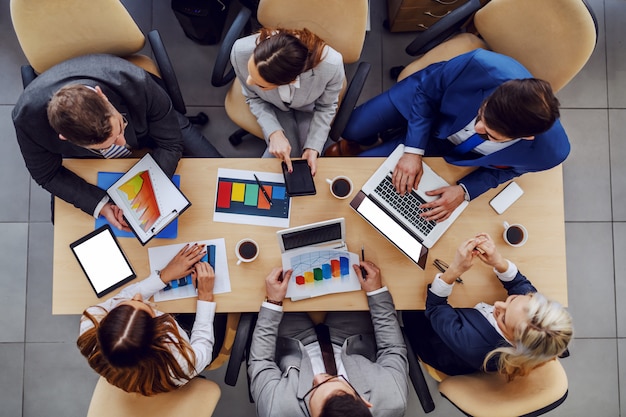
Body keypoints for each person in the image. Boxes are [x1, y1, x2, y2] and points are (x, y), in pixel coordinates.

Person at [328, 49, 569, 222]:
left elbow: (508, 170)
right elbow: (426, 94)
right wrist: (412, 151)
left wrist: (465, 191)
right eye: (481, 114)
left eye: (490, 135)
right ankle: (368, 142)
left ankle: (379, 146)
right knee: (351, 129)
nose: (477, 128)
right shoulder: (479, 64)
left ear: (526, 137)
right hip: (426, 105)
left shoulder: (549, 154)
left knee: (366, 177)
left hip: (445, 150)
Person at [13, 54, 222, 230]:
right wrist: (102, 205)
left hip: (151, 127)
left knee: (218, 170)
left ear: (102, 97)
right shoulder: (26, 120)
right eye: (108, 145)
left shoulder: (137, 82)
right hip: (86, 161)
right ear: (65, 138)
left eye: (120, 126)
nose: (122, 144)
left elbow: (170, 142)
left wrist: (146, 191)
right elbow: (46, 175)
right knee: (67, 226)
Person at [404, 233, 572, 380]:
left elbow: (435, 307)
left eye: (504, 318)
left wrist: (454, 270)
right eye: (512, 300)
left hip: (433, 338)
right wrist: (498, 261)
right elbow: (519, 283)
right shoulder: (532, 317)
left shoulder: (472, 345)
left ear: (514, 343)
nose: (498, 304)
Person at [248, 263, 408, 417]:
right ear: (365, 402)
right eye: (334, 380)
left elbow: (261, 361)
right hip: (350, 336)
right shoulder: (392, 399)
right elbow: (392, 349)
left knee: (271, 270)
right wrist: (376, 293)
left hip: (294, 342)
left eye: (313, 390)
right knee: (354, 265)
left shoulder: (276, 410)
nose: (318, 378)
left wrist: (273, 302)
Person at [76, 243, 216, 395]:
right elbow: (203, 348)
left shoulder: (92, 321)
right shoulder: (179, 364)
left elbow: (123, 297)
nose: (137, 297)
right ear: (160, 331)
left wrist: (164, 276)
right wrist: (205, 296)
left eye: (123, 306)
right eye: (144, 305)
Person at [231, 27, 345, 176]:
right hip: (272, 106)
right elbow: (253, 97)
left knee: (304, 161)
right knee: (287, 160)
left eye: (261, 85)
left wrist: (313, 147)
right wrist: (274, 132)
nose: (248, 81)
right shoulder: (240, 51)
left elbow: (326, 106)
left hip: (308, 108)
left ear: (290, 81)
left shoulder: (331, 65)